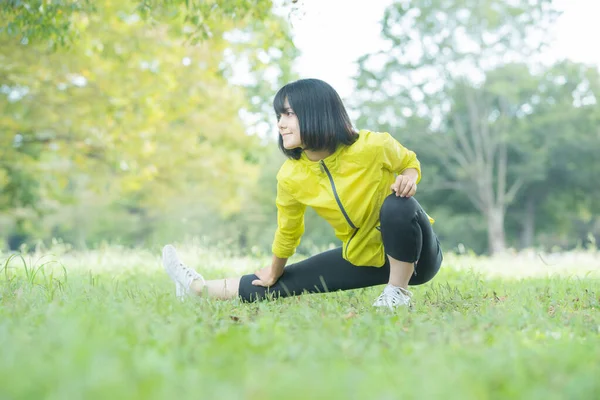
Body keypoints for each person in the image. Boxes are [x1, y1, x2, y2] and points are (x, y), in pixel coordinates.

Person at [162, 78, 443, 309]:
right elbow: (288, 230)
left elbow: (409, 162)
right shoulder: (291, 175)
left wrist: (408, 179)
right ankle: (195, 287)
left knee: (396, 205)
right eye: (278, 116)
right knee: (281, 281)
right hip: (364, 254)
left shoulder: (372, 145)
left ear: (317, 112)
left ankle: (397, 293)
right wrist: (274, 270)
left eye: (289, 114)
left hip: (418, 254)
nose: (280, 124)